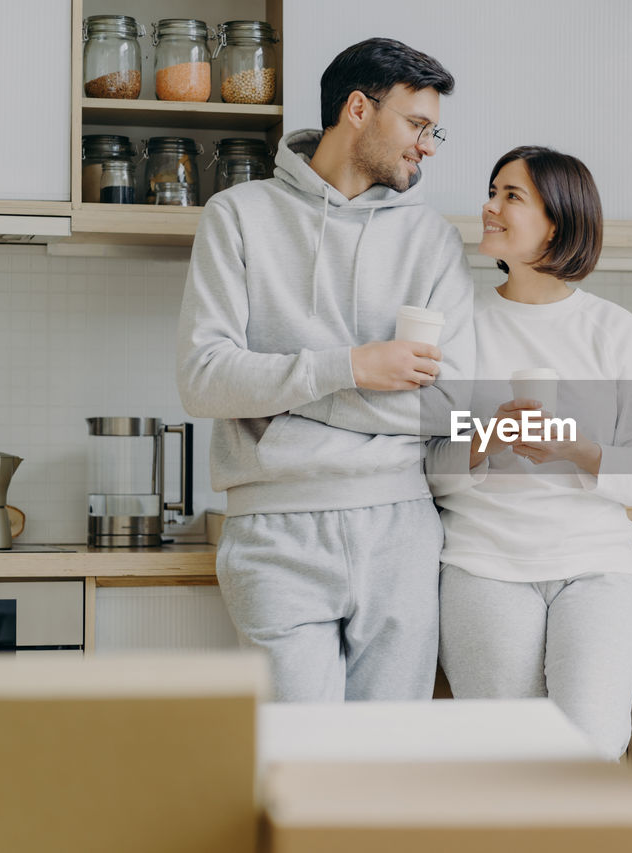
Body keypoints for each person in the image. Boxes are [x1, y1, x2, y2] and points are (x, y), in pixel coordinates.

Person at [176, 38, 474, 702]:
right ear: (359, 109)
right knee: (298, 767)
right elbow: (203, 378)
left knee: (389, 774)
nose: (428, 146)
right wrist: (354, 366)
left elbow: (453, 405)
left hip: (400, 527)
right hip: (274, 533)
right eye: (417, 125)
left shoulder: (432, 241)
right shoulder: (238, 218)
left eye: (434, 130)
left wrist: (276, 391)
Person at [426, 146, 632, 759]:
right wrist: (484, 438)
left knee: (590, 748)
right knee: (506, 756)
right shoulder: (459, 326)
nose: (489, 206)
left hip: (596, 566)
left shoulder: (613, 329)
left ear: (557, 220)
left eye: (512, 195)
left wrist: (580, 449)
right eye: (493, 191)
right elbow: (426, 466)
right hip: (484, 565)